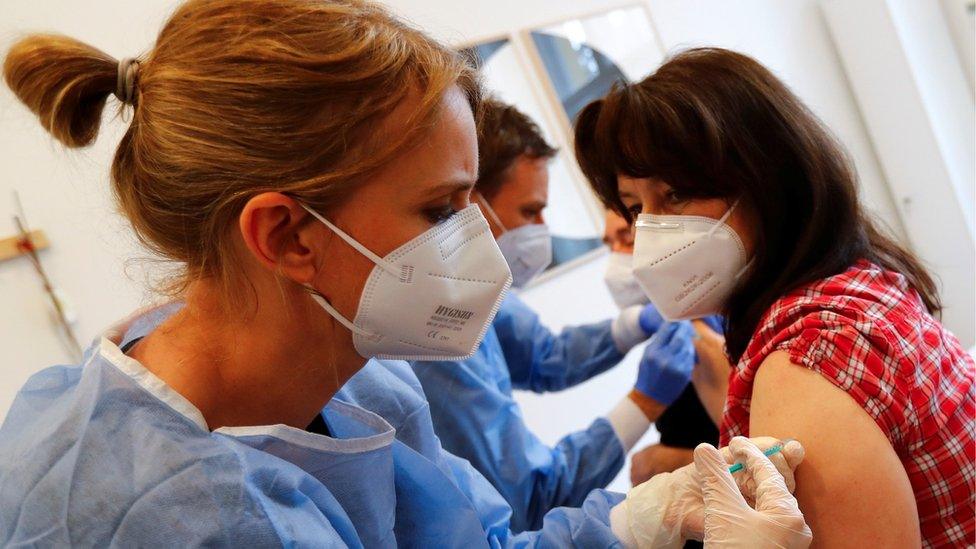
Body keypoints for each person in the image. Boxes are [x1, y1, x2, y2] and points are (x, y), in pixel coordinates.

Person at [0, 2, 810, 544]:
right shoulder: (160, 513)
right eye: (441, 210)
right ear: (287, 234)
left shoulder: (360, 387)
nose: (480, 247)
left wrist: (645, 517)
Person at [575, 46, 975, 547]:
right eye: (636, 207)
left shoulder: (807, 363)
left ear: (766, 178)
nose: (650, 229)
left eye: (675, 194)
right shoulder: (854, 280)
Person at [409, 99, 695, 532]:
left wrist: (631, 326)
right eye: (530, 212)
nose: (542, 228)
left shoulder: (472, 291)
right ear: (468, 204)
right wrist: (643, 404)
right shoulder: (433, 330)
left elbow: (544, 357)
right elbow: (530, 496)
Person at [603, 209, 720, 488]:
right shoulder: (673, 331)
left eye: (626, 241)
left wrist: (670, 465)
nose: (614, 260)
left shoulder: (699, 332)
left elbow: (764, 449)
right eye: (609, 245)